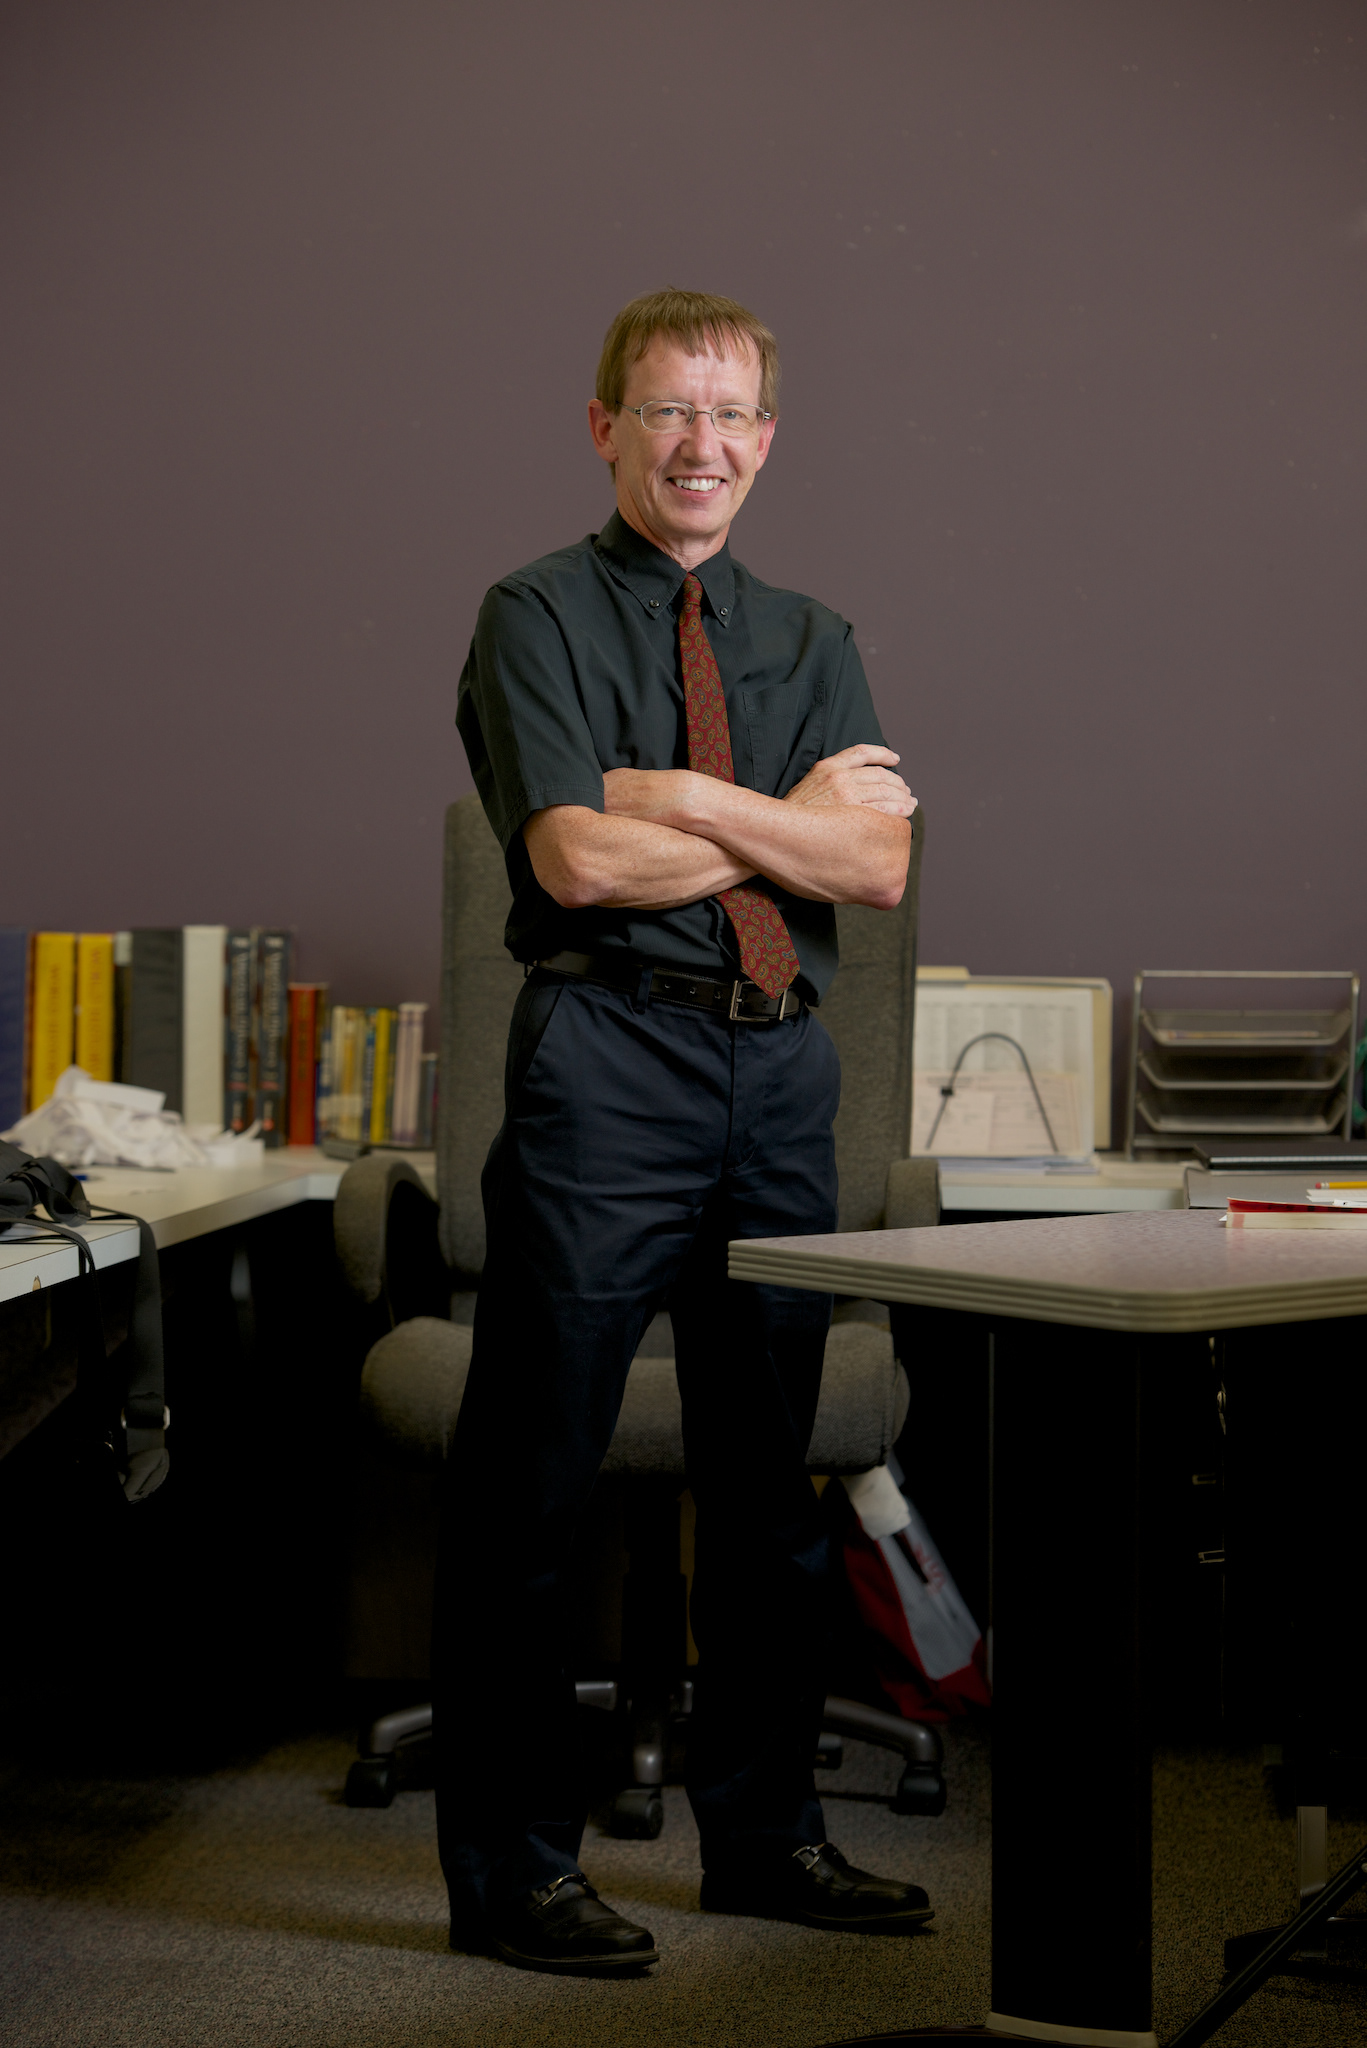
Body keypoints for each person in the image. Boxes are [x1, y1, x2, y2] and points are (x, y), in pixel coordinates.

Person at [440, 288, 924, 1975]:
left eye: (728, 415)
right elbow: (573, 862)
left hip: (780, 1073)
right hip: (608, 1065)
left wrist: (683, 800)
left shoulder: (814, 636)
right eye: (665, 410)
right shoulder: (535, 614)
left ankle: (767, 1842)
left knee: (773, 1489)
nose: (699, 444)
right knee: (533, 1482)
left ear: (766, 440)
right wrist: (783, 823)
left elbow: (875, 866)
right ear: (606, 428)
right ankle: (514, 1871)